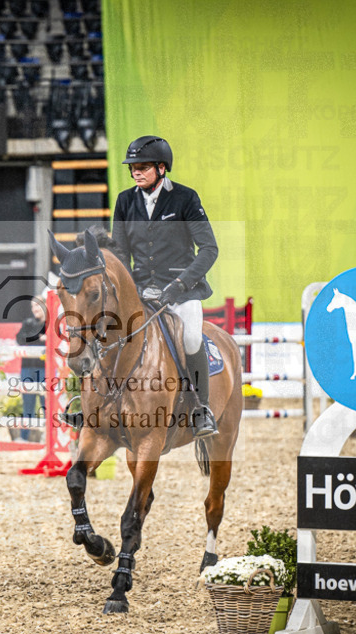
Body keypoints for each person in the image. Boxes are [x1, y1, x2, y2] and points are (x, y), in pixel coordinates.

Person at [111, 135, 219, 438]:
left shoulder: (185, 198)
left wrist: (179, 284)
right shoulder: (125, 201)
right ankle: (96, 403)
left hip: (181, 290)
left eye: (142, 167)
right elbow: (120, 254)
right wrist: (132, 288)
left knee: (192, 339)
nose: (136, 172)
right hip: (141, 292)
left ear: (161, 168)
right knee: (107, 334)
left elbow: (209, 249)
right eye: (132, 167)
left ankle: (201, 408)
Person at [17, 296, 47, 441]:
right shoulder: (28, 323)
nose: (35, 309)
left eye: (38, 305)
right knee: (27, 404)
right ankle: (24, 437)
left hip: (45, 369)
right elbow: (20, 338)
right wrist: (39, 337)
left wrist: (36, 338)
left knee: (46, 404)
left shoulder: (52, 325)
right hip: (28, 368)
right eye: (33, 306)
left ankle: (48, 438)